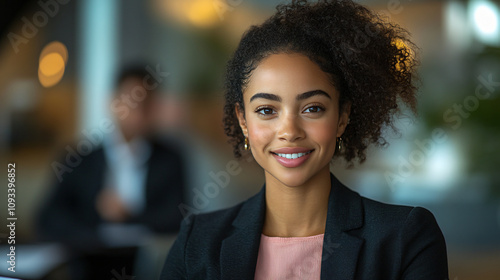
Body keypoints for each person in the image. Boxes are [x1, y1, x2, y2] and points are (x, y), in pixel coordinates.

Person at [161, 0, 448, 279]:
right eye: (266, 110)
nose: (289, 130)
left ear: (342, 117)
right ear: (243, 121)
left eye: (312, 108)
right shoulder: (197, 241)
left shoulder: (404, 237)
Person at [37, 65, 186, 279]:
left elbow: (179, 216)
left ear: (154, 108)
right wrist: (93, 233)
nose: (137, 111)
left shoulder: (171, 158)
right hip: (89, 263)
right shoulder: (78, 159)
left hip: (147, 264)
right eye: (130, 100)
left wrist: (129, 214)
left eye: (145, 103)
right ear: (114, 102)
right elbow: (48, 218)